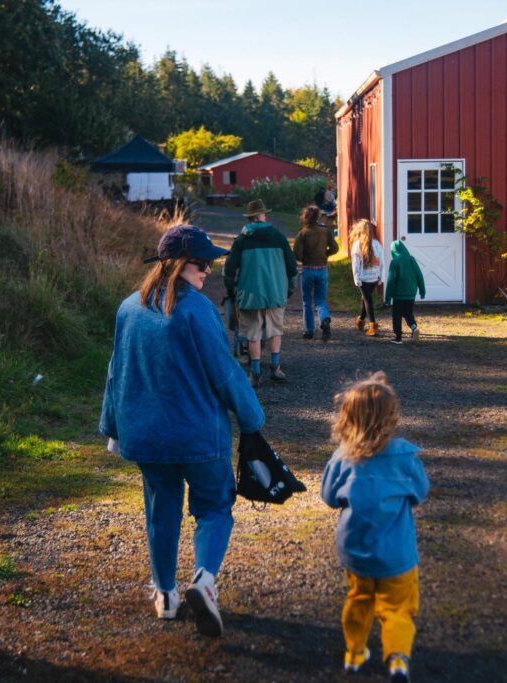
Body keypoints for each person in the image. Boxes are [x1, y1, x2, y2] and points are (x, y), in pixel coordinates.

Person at [99, 224, 265, 638]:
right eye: (201, 263)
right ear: (177, 265)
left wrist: (112, 426)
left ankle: (166, 595)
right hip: (199, 436)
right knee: (213, 507)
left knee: (161, 510)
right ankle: (204, 581)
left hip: (148, 437)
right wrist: (253, 421)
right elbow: (224, 373)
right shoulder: (197, 310)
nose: (207, 270)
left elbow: (115, 373)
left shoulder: (128, 309)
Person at [320, 372, 429, 683]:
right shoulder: (405, 456)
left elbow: (329, 496)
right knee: (397, 608)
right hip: (397, 555)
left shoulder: (342, 459)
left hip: (357, 551)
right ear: (391, 417)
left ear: (347, 418)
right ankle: (397, 659)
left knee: (359, 599)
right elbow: (419, 492)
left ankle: (355, 653)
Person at [223, 199, 298, 387]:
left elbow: (229, 270)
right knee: (275, 331)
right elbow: (292, 267)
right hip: (275, 292)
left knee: (253, 334)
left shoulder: (242, 240)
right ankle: (275, 368)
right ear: (265, 216)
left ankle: (255, 373)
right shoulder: (279, 237)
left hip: (250, 294)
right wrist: (288, 289)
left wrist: (232, 291)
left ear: (249, 218)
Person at [292, 204, 338, 341]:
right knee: (320, 300)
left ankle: (309, 330)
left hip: (308, 270)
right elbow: (335, 248)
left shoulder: (303, 233)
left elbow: (297, 254)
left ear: (305, 217)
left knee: (307, 301)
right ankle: (324, 320)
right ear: (318, 216)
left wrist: (305, 259)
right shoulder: (325, 231)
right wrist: (325, 255)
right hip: (322, 269)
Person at [383, 241, 426, 345]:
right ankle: (414, 327)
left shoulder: (395, 262)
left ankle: (398, 337)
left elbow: (391, 280)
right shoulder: (411, 259)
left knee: (397, 315)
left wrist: (388, 298)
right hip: (411, 293)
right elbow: (419, 275)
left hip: (399, 294)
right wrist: (422, 290)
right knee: (408, 313)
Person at [349, 218, 384, 337]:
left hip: (363, 279)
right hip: (374, 278)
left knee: (367, 300)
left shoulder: (356, 245)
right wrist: (381, 277)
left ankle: (373, 325)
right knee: (365, 298)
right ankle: (360, 320)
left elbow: (355, 264)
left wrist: (356, 279)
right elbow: (382, 262)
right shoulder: (377, 244)